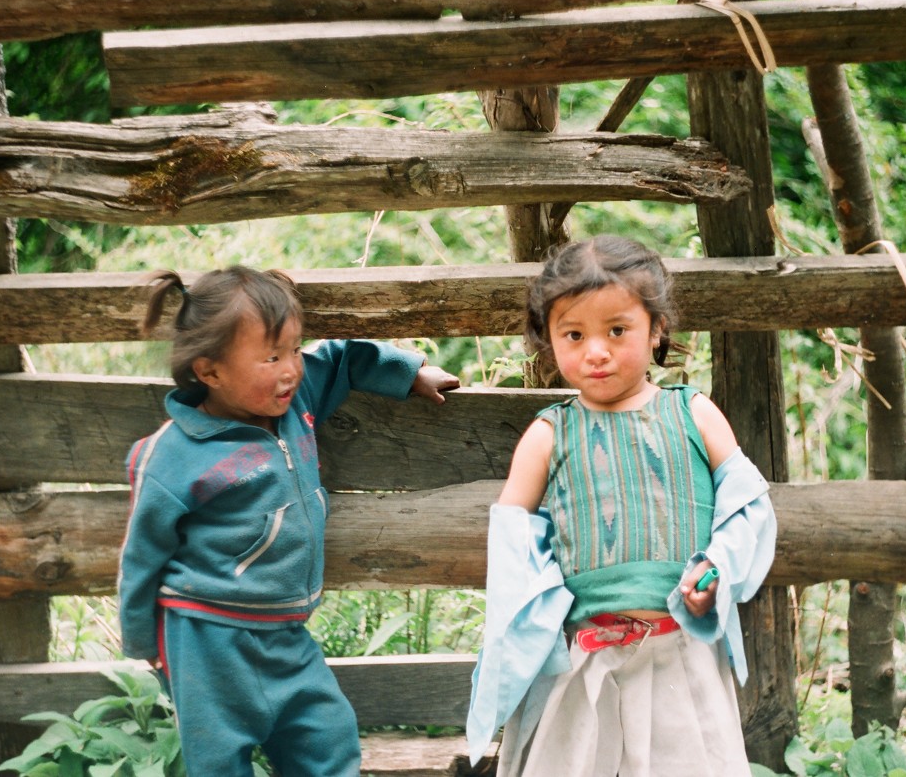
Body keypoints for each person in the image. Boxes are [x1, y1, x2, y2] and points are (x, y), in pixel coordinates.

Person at [118, 265, 459, 777]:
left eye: (294, 350)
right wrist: (145, 644)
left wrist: (409, 372)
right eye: (271, 357)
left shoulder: (296, 400)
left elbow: (341, 357)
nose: (290, 369)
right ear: (210, 372)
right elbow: (142, 555)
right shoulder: (171, 455)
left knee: (328, 739)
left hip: (285, 633)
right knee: (219, 761)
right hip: (206, 638)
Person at [466, 236, 777, 776]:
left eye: (617, 330)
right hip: (584, 661)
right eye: (574, 334)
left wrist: (717, 571)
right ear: (549, 341)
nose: (596, 350)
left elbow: (747, 509)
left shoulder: (695, 414)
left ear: (655, 327)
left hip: (682, 651)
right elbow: (514, 552)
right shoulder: (547, 435)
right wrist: (535, 634)